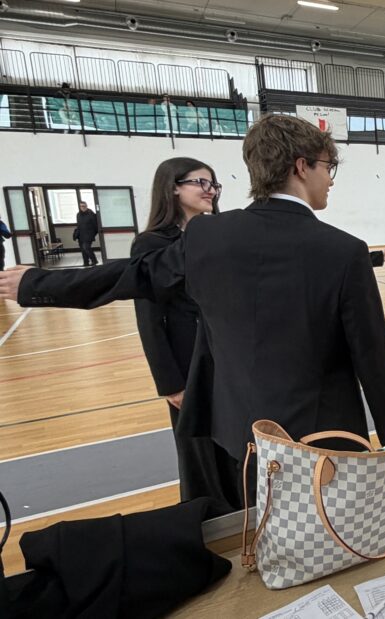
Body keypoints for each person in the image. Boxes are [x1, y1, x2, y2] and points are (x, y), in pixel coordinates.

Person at [0, 115, 385, 509]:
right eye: (328, 167)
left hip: (240, 431)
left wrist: (36, 284)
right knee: (326, 529)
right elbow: (372, 357)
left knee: (257, 524)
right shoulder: (343, 250)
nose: (330, 179)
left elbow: (131, 276)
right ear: (302, 166)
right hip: (323, 436)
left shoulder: (208, 235)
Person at [131, 157, 236, 512]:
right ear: (173, 188)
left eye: (214, 184)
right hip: (188, 364)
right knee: (200, 452)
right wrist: (171, 384)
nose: (211, 191)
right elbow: (149, 320)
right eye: (200, 183)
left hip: (228, 357)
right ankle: (210, 519)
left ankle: (245, 514)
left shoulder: (219, 234)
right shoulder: (150, 244)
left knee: (237, 444)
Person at [74, 201, 99, 266]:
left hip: (89, 235)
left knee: (86, 247)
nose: (83, 207)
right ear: (80, 207)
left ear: (86, 206)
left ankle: (94, 260)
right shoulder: (78, 215)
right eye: (81, 206)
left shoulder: (91, 214)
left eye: (84, 206)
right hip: (81, 235)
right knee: (83, 249)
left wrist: (93, 234)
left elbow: (95, 225)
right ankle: (86, 262)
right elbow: (78, 225)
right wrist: (76, 234)